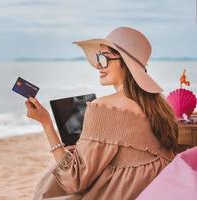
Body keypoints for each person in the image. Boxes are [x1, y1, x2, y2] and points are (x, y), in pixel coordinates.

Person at [25, 27, 178, 200]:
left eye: (104, 58)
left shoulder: (104, 107)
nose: (98, 65)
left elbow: (74, 180)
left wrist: (46, 123)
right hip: (155, 190)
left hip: (122, 193)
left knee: (49, 184)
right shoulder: (160, 107)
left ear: (125, 63)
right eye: (99, 58)